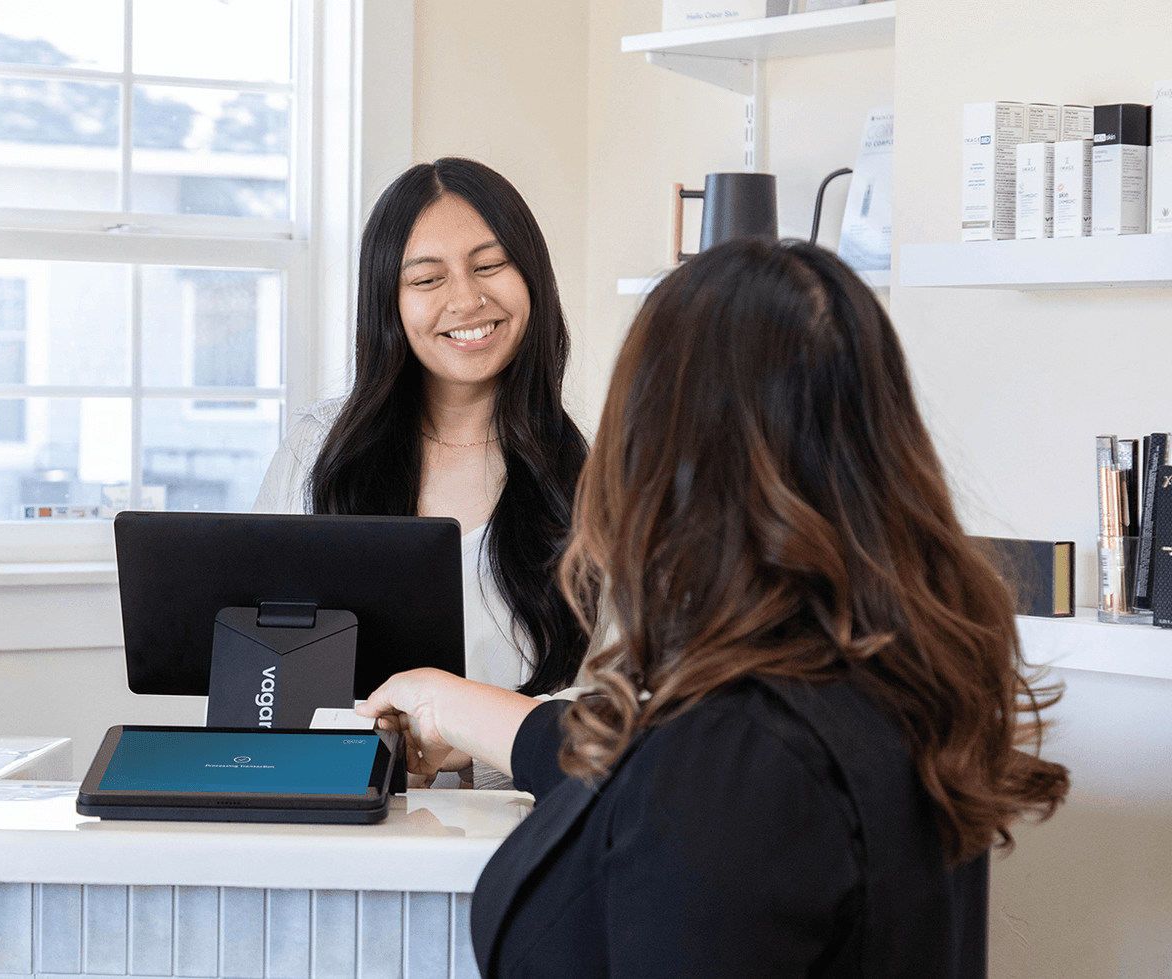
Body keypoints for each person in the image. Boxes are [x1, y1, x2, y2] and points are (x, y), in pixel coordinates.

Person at [358, 237, 1071, 978]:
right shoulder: (889, 674)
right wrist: (448, 705)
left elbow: (681, 785)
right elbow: (626, 761)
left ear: (662, 453)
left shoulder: (732, 759)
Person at [254, 159, 593, 722]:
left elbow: (626, 700)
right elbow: (260, 657)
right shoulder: (315, 449)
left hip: (523, 806)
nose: (466, 301)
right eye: (427, 279)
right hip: (339, 797)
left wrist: (467, 748)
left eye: (490, 265)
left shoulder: (602, 479)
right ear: (389, 302)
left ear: (532, 276)